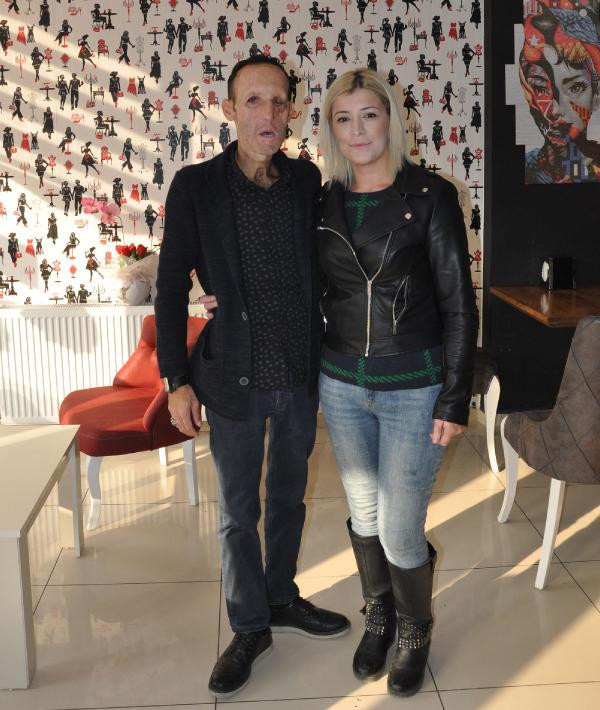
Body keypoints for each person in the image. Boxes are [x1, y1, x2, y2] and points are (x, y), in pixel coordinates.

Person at [155, 54, 350, 701]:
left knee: (289, 498)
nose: (268, 113)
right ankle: (248, 627)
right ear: (230, 109)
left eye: (278, 101)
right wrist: (176, 379)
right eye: (253, 100)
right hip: (231, 376)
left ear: (292, 110)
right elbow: (169, 285)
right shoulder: (196, 186)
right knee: (240, 512)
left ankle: (282, 598)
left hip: (298, 372)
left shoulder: (305, 181)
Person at [317, 68, 478, 697]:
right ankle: (379, 614)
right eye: (344, 118)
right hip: (341, 384)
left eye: (370, 115)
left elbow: (458, 303)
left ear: (392, 119)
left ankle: (415, 628)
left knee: (399, 527)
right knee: (362, 513)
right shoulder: (324, 200)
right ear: (331, 129)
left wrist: (455, 396)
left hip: (414, 386)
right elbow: (304, 286)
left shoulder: (431, 196)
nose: (358, 130)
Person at [520, 0, 600, 183]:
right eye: (541, 89)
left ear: (596, 96)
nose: (556, 109)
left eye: (575, 88)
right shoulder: (525, 169)